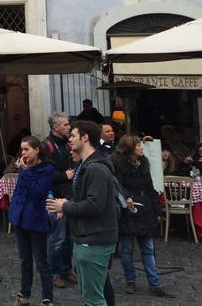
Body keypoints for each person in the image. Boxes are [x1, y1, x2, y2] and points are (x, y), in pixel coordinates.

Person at [47, 121, 118, 306]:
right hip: (88, 237)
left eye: (73, 136)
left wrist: (65, 207)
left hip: (93, 239)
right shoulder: (87, 165)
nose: (69, 140)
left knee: (93, 299)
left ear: (85, 138)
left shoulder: (96, 168)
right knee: (96, 294)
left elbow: (95, 204)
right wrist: (68, 205)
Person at [111, 134, 175, 298]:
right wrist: (127, 197)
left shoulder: (143, 164)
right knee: (127, 249)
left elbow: (150, 188)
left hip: (145, 209)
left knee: (148, 248)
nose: (141, 148)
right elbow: (117, 185)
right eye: (139, 145)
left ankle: (154, 284)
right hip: (128, 210)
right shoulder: (118, 164)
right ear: (130, 148)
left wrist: (157, 211)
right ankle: (130, 280)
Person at [9, 137, 54, 306]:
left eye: (26, 149)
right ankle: (24, 293)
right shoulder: (24, 168)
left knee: (41, 260)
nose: (23, 153)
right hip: (20, 217)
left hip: (36, 219)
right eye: (22, 150)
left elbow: (37, 191)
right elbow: (20, 190)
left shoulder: (47, 169)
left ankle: (47, 297)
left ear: (37, 150)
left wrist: (26, 171)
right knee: (25, 259)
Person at [43, 112, 76, 289]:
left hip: (69, 195)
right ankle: (54, 272)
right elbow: (44, 173)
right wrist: (64, 175)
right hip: (55, 196)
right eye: (65, 125)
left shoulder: (66, 144)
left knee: (69, 237)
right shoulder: (47, 145)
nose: (69, 127)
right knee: (57, 237)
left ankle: (66, 269)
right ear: (56, 127)